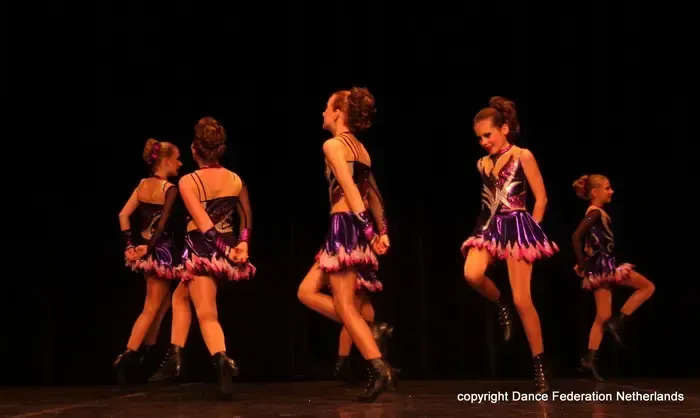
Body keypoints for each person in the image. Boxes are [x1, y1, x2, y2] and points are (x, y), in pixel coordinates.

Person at [297, 87, 396, 402]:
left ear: (339, 112)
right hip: (355, 225)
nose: (323, 112)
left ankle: (378, 366)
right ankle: (372, 327)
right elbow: (374, 194)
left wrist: (368, 230)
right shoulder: (362, 149)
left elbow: (350, 187)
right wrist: (382, 230)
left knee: (344, 305)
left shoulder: (333, 144)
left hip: (346, 224)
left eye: (327, 107)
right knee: (306, 291)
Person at [151, 116, 255, 399]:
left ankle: (222, 360)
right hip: (225, 246)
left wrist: (230, 250)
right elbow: (246, 216)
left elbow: (206, 227)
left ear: (194, 149)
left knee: (207, 313)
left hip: (204, 249)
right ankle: (174, 357)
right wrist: (242, 244)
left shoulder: (188, 181)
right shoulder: (235, 179)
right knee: (180, 297)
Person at [461, 96, 558, 393]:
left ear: (504, 129)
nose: (484, 142)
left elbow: (541, 198)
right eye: (479, 138)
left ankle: (540, 364)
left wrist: (533, 230)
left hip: (517, 225)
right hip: (489, 226)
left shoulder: (522, 155)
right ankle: (500, 302)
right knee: (472, 274)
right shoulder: (482, 163)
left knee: (523, 301)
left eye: (488, 135)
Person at [572, 174, 655, 381]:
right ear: (595, 192)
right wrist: (582, 264)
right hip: (604, 268)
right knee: (647, 287)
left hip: (600, 267)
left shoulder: (597, 213)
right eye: (607, 188)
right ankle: (620, 320)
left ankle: (589, 359)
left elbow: (590, 240)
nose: (611, 192)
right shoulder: (595, 213)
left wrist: (586, 260)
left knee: (602, 315)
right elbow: (576, 236)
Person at [114, 138, 183, 384]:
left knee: (163, 304)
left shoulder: (143, 185)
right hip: (159, 252)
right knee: (152, 306)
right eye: (177, 159)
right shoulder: (169, 189)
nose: (180, 163)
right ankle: (128, 356)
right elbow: (162, 224)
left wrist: (130, 245)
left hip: (148, 250)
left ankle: (147, 354)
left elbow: (123, 215)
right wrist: (149, 247)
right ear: (166, 161)